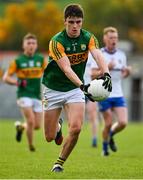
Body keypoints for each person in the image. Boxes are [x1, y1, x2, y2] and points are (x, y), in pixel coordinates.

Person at [42, 4, 112, 172]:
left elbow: (98, 55)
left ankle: (59, 163)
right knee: (49, 137)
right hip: (53, 88)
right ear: (65, 21)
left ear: (82, 22)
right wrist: (83, 85)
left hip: (74, 90)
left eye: (78, 22)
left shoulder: (88, 38)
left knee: (76, 127)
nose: (75, 26)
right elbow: (66, 69)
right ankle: (58, 127)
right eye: (71, 22)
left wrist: (106, 73)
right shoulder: (56, 42)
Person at [3, 33, 47, 152]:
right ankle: (31, 146)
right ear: (24, 45)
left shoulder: (41, 60)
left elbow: (49, 73)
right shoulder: (18, 61)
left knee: (37, 125)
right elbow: (5, 78)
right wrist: (17, 83)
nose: (31, 45)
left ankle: (21, 128)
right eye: (28, 43)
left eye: (33, 43)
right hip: (23, 95)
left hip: (37, 95)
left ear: (36, 45)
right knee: (31, 121)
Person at [95, 27, 131, 156]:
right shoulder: (99, 54)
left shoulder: (121, 54)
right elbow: (92, 74)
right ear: (105, 38)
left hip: (118, 94)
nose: (113, 40)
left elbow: (123, 75)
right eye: (111, 38)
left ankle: (110, 135)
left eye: (115, 38)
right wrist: (106, 69)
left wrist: (127, 72)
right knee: (108, 122)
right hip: (104, 94)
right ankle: (105, 149)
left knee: (122, 123)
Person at [84, 52, 99, 147]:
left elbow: (99, 71)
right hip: (78, 89)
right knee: (75, 117)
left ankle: (94, 138)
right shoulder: (75, 53)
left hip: (91, 89)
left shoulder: (94, 55)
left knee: (92, 115)